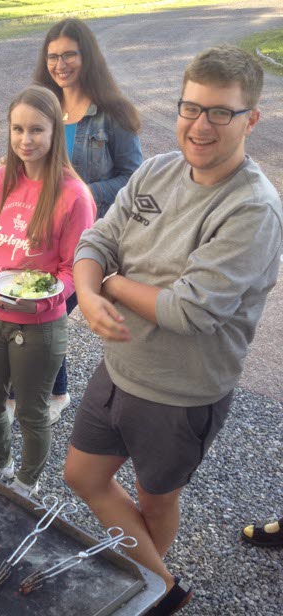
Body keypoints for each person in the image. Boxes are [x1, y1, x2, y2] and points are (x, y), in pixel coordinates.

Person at [63, 45, 282, 615]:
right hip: (119, 368)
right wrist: (87, 289)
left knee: (155, 500)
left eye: (220, 112)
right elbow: (95, 241)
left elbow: (190, 310)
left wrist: (108, 286)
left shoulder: (252, 209)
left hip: (180, 392)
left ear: (250, 119)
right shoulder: (158, 169)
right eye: (191, 107)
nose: (200, 125)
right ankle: (163, 587)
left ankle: (147, 596)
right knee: (82, 474)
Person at [16, 18, 143, 423]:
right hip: (40, 236)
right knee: (38, 309)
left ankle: (55, 393)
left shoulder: (113, 115)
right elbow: (29, 154)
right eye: (53, 56)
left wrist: (87, 192)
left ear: (86, 56)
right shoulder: (43, 107)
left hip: (90, 241)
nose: (60, 64)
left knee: (48, 309)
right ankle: (46, 387)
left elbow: (133, 178)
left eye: (69, 54)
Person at [0, 85, 95, 498]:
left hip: (40, 323)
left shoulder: (73, 195)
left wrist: (42, 294)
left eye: (37, 130)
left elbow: (74, 267)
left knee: (31, 411)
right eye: (18, 129)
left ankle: (27, 481)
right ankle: (1, 462)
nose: (26, 140)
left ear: (54, 133)